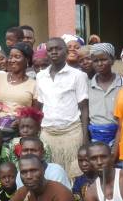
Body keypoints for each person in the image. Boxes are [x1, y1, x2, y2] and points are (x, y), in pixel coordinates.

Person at [34, 37, 89, 182]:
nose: (54, 52)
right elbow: (40, 106)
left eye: (58, 49)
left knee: (74, 176)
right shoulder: (40, 76)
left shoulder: (78, 75)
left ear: (66, 51)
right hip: (48, 134)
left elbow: (84, 108)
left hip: (72, 134)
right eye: (50, 49)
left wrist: (85, 138)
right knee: (51, 177)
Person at [0, 44, 37, 136]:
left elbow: (35, 112)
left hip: (21, 131)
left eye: (17, 57)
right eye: (10, 57)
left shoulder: (34, 84)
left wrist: (21, 120)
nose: (12, 60)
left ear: (27, 60)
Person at [87, 43, 122, 147]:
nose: (99, 64)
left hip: (120, 134)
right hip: (95, 136)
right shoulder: (87, 85)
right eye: (95, 61)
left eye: (103, 59)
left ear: (112, 60)